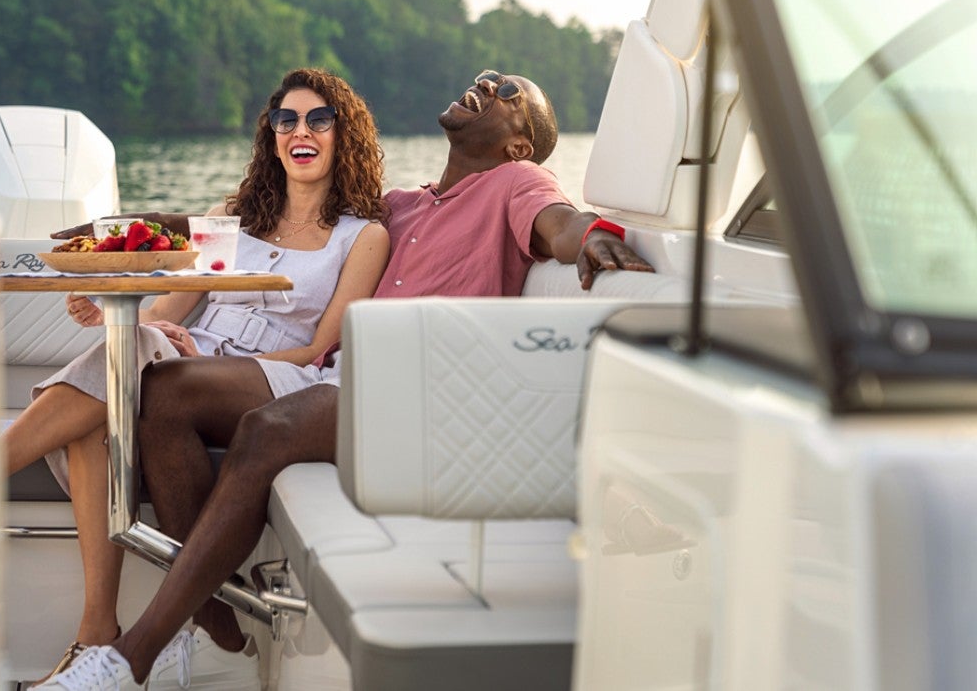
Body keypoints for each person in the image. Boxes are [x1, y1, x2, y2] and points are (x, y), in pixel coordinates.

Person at [36, 70, 655, 690]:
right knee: (166, 391)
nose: (486, 84)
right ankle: (223, 641)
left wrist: (595, 238)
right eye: (486, 78)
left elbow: (561, 221)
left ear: (519, 144)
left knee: (267, 429)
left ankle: (127, 659)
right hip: (347, 376)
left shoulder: (516, 181)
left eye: (507, 93)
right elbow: (236, 222)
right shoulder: (404, 205)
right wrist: (118, 229)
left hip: (425, 387)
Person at [4, 67, 390, 684]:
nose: (302, 131)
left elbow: (322, 348)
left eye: (320, 119)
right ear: (272, 136)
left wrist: (206, 360)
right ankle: (97, 629)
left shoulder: (361, 236)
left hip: (275, 376)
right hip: (185, 359)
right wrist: (111, 313)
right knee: (118, 375)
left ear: (345, 135)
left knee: (135, 372)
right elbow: (162, 314)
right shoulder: (229, 220)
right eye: (287, 119)